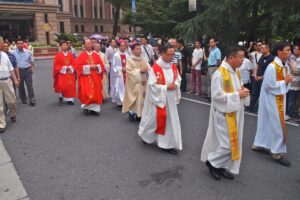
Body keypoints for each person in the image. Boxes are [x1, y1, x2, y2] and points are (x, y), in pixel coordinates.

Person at [201, 46, 250, 180]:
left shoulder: (237, 72)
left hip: (235, 111)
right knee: (228, 144)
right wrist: (237, 94)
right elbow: (216, 96)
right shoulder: (219, 73)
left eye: (243, 57)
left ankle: (221, 166)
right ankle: (212, 162)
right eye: (240, 57)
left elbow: (237, 89)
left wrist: (242, 91)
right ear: (231, 58)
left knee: (232, 142)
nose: (242, 60)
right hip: (224, 113)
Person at [252, 42, 293, 167]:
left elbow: (284, 82)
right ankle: (277, 153)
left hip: (278, 98)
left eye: (290, 50)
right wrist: (284, 82)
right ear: (279, 52)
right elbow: (270, 85)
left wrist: (287, 81)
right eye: (287, 50)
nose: (289, 52)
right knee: (277, 125)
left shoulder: (284, 66)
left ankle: (260, 144)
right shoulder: (272, 67)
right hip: (272, 100)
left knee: (267, 122)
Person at [138, 44, 182, 155]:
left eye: (173, 54)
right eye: (169, 54)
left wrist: (176, 84)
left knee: (170, 120)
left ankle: (166, 144)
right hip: (158, 99)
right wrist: (166, 87)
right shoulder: (155, 68)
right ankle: (146, 136)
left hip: (170, 98)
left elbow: (178, 79)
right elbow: (151, 86)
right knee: (154, 120)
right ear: (161, 53)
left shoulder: (173, 66)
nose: (172, 57)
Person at [76, 39, 105, 116]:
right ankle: (86, 107)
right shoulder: (81, 56)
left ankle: (95, 109)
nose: (89, 45)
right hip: (86, 78)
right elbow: (78, 67)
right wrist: (89, 67)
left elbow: (101, 66)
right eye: (88, 43)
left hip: (96, 77)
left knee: (96, 92)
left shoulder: (96, 55)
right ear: (84, 45)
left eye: (90, 43)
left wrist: (96, 66)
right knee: (86, 92)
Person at [122, 42, 150, 121]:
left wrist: (148, 69)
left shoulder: (143, 59)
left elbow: (148, 66)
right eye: (137, 49)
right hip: (134, 83)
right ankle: (132, 113)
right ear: (132, 50)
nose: (139, 50)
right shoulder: (130, 60)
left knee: (142, 99)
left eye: (140, 49)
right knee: (136, 98)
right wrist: (139, 70)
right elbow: (129, 71)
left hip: (144, 81)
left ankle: (139, 114)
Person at [0, 36, 19, 133]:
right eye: (2, 42)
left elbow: (11, 68)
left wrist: (15, 79)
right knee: (0, 105)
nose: (3, 44)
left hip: (7, 80)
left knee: (12, 101)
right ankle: (1, 124)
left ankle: (12, 114)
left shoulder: (4, 54)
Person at [247, 43, 274, 112]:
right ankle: (251, 108)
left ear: (268, 49)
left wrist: (262, 77)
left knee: (263, 95)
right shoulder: (262, 56)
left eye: (262, 48)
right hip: (257, 78)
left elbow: (270, 71)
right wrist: (255, 74)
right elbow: (257, 65)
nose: (260, 49)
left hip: (264, 79)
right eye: (260, 48)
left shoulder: (271, 58)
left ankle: (261, 109)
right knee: (254, 93)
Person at [13, 39, 36, 106]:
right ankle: (23, 98)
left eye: (21, 43)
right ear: (16, 45)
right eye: (19, 43)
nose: (20, 45)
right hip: (18, 71)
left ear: (23, 44)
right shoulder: (13, 53)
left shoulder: (27, 52)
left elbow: (31, 61)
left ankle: (32, 99)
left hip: (27, 70)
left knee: (30, 85)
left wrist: (32, 68)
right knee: (20, 86)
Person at [53, 41, 76, 105]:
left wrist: (70, 67)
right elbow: (56, 66)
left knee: (71, 85)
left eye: (66, 45)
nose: (65, 46)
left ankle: (70, 100)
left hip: (70, 73)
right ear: (61, 47)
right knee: (63, 86)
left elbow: (74, 63)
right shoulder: (58, 55)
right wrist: (65, 68)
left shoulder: (70, 55)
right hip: (62, 73)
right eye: (63, 45)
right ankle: (61, 95)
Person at [110, 40, 128, 106]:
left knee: (126, 87)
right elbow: (113, 67)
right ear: (119, 47)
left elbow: (129, 64)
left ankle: (126, 101)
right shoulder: (116, 55)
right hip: (119, 75)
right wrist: (120, 69)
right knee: (120, 88)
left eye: (124, 46)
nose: (124, 47)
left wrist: (127, 68)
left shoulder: (127, 55)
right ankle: (120, 101)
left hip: (126, 73)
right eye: (122, 46)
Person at [287, 44, 300, 119]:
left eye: (296, 49)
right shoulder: (293, 58)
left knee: (292, 99)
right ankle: (292, 112)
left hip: (296, 82)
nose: (294, 50)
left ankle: (290, 114)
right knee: (291, 98)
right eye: (294, 49)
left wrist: (290, 64)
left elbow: (296, 71)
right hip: (290, 81)